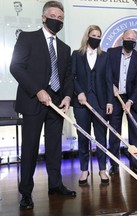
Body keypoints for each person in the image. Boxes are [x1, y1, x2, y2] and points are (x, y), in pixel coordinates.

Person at [10, 1, 76, 210]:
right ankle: (26, 193)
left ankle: (55, 185)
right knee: (29, 149)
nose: (57, 20)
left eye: (61, 18)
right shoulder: (28, 38)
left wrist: (67, 97)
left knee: (55, 148)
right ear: (43, 17)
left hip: (56, 105)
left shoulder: (65, 49)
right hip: (33, 102)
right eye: (53, 16)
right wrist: (37, 90)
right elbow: (16, 67)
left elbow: (67, 77)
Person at [72, 25, 113, 186]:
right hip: (81, 103)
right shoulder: (76, 55)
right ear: (87, 36)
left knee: (101, 137)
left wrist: (110, 101)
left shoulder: (105, 56)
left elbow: (109, 80)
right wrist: (79, 93)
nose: (96, 38)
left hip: (100, 102)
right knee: (83, 137)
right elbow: (72, 77)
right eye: (93, 35)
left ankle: (102, 169)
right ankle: (84, 169)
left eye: (98, 35)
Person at [108, 29, 137, 175]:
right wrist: (112, 86)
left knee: (135, 133)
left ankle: (136, 163)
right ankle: (114, 164)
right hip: (115, 98)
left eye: (133, 39)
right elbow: (107, 74)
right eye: (128, 38)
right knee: (114, 132)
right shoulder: (112, 53)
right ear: (122, 38)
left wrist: (130, 101)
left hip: (132, 100)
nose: (130, 40)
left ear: (136, 41)